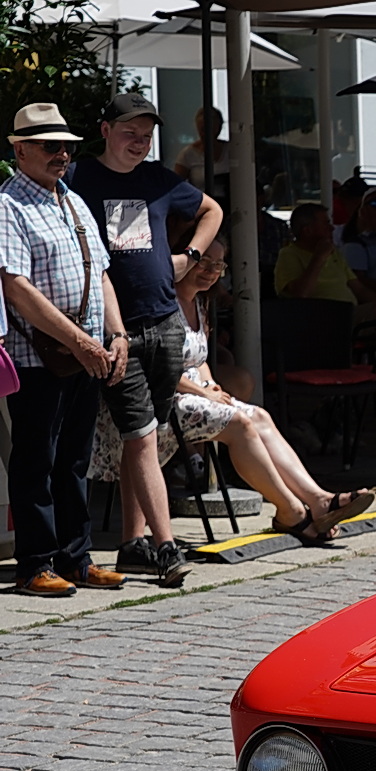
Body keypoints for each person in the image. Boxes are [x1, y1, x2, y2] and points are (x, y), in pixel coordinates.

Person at [90, 240, 374, 546]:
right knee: (239, 423)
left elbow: (199, 361)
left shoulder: (200, 303)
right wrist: (203, 392)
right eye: (203, 262)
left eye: (218, 265)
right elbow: (156, 370)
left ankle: (319, 500)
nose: (211, 272)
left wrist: (210, 385)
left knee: (260, 416)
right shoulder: (160, 303)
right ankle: (290, 511)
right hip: (157, 399)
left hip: (193, 395)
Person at [67, 92, 218, 587]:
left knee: (144, 437)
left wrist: (191, 257)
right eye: (130, 131)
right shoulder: (79, 178)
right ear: (105, 130)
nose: (139, 141)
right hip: (117, 331)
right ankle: (165, 546)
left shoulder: (157, 179)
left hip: (165, 321)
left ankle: (133, 542)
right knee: (141, 435)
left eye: (147, 134)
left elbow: (212, 210)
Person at [0, 103, 130, 596]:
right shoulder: (8, 205)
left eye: (67, 147)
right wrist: (77, 341)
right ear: (20, 150)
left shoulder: (70, 200)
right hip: (41, 357)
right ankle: (35, 565)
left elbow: (100, 273)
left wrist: (116, 337)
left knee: (75, 458)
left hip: (85, 351)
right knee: (37, 461)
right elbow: (16, 287)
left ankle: (76, 558)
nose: (62, 155)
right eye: (51, 146)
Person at [276, 203, 376, 367]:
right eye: (325, 223)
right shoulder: (288, 254)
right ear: (307, 230)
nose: (331, 228)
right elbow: (300, 295)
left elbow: (359, 289)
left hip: (349, 317)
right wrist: (319, 258)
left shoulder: (334, 253)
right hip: (321, 320)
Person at [171, 106, 228, 201]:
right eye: (203, 129)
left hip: (232, 204)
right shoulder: (188, 154)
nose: (206, 133)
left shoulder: (232, 151)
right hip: (201, 204)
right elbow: (175, 185)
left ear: (219, 128)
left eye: (211, 128)